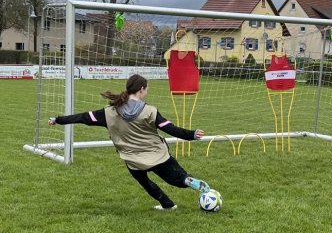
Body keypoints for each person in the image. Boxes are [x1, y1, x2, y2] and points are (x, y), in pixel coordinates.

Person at [48, 74, 211, 210]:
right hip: (157, 154)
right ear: (141, 89)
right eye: (146, 89)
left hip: (133, 160)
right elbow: (170, 129)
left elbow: (82, 118)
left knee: (146, 183)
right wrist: (192, 135)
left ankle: (167, 204)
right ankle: (187, 180)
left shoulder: (108, 112)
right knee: (176, 177)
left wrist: (57, 119)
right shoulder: (150, 111)